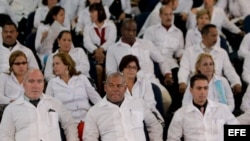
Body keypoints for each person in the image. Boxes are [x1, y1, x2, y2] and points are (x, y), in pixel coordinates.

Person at [106, 18, 173, 115]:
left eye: (134, 30)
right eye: (128, 30)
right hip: (128, 85)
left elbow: (161, 60)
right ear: (121, 30)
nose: (131, 33)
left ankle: (159, 122)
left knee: (167, 100)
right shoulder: (113, 49)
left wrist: (167, 74)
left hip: (150, 81)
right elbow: (110, 72)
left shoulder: (146, 44)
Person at [0, 69, 79, 141]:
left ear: (43, 84)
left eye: (39, 81)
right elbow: (5, 136)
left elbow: (69, 124)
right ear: (24, 84)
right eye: (31, 81)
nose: (36, 86)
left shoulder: (55, 103)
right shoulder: (11, 109)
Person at [83, 72, 163, 141]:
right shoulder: (94, 111)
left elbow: (154, 125)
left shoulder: (139, 103)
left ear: (125, 88)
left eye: (119, 86)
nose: (115, 89)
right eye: (111, 85)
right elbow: (89, 138)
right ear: (105, 88)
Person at [46, 52, 101, 141]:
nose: (54, 67)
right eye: (53, 64)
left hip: (86, 118)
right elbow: (47, 105)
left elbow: (96, 98)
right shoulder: (52, 83)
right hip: (67, 122)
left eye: (57, 63)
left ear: (67, 65)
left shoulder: (82, 78)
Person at [167, 74, 239, 141]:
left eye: (205, 88)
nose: (203, 92)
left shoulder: (221, 108)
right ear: (191, 90)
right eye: (199, 88)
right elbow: (172, 139)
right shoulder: (181, 114)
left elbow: (238, 131)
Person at [178, 24, 242, 95]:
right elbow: (184, 69)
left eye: (217, 35)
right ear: (203, 36)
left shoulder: (222, 52)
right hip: (196, 86)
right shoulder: (189, 51)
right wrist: (182, 82)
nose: (216, 39)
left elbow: (229, 70)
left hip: (217, 87)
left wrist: (236, 82)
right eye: (213, 36)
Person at [119, 54, 164, 121]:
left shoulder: (145, 82)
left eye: (134, 67)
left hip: (145, 116)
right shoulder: (116, 83)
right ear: (122, 69)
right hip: (124, 117)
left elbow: (150, 103)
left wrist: (138, 113)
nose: (131, 70)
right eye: (128, 67)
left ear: (137, 70)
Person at [84, 3, 117, 95]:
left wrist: (101, 49)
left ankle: (109, 93)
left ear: (100, 12)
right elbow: (86, 42)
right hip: (94, 54)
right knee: (98, 68)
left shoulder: (110, 25)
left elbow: (111, 40)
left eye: (93, 12)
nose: (91, 14)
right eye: (90, 12)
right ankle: (99, 92)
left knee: (108, 68)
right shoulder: (88, 27)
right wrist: (96, 50)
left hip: (108, 53)